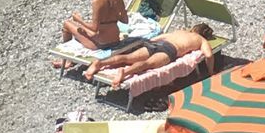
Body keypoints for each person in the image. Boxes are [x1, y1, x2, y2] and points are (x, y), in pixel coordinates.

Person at [88, 23, 218, 94]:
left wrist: (148, 43)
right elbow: (208, 55)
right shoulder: (201, 40)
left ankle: (100, 63)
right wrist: (211, 72)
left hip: (157, 44)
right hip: (170, 50)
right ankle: (125, 73)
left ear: (194, 28)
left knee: (127, 57)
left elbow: (159, 37)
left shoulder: (180, 31)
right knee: (147, 64)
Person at [61, 0, 127, 53]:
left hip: (102, 43)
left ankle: (67, 61)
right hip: (115, 40)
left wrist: (79, 20)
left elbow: (94, 28)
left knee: (67, 24)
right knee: (83, 28)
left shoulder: (98, 1)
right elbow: (125, 21)